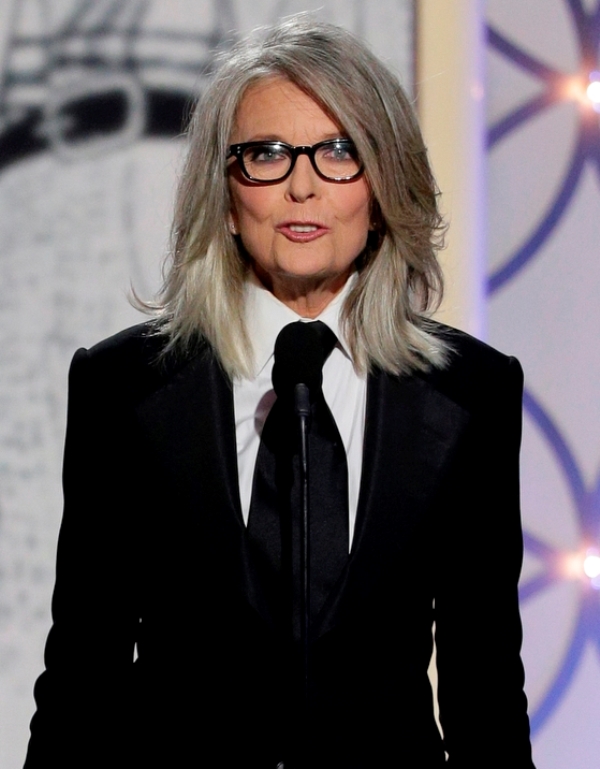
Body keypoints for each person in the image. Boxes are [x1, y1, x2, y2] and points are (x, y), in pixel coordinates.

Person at [25, 16, 536, 769]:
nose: (302, 185)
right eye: (265, 154)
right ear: (225, 195)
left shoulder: (470, 393)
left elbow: (484, 688)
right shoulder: (124, 387)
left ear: (383, 186)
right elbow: (82, 677)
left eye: (339, 151)